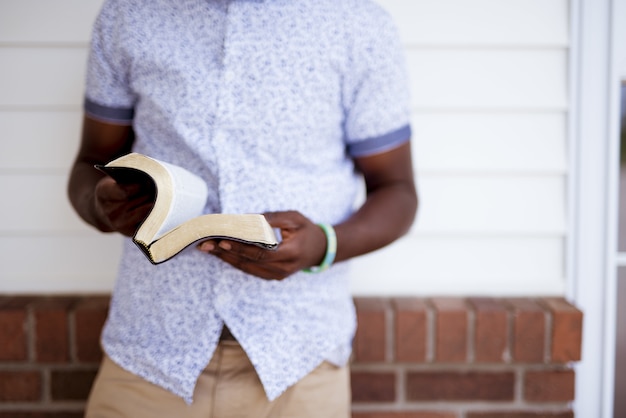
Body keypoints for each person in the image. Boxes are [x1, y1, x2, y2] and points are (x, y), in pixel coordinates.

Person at [67, 0, 417, 416]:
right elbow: (88, 165)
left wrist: (323, 245)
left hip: (300, 361)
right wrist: (102, 205)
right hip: (149, 356)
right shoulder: (130, 14)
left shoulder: (358, 22)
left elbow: (397, 190)